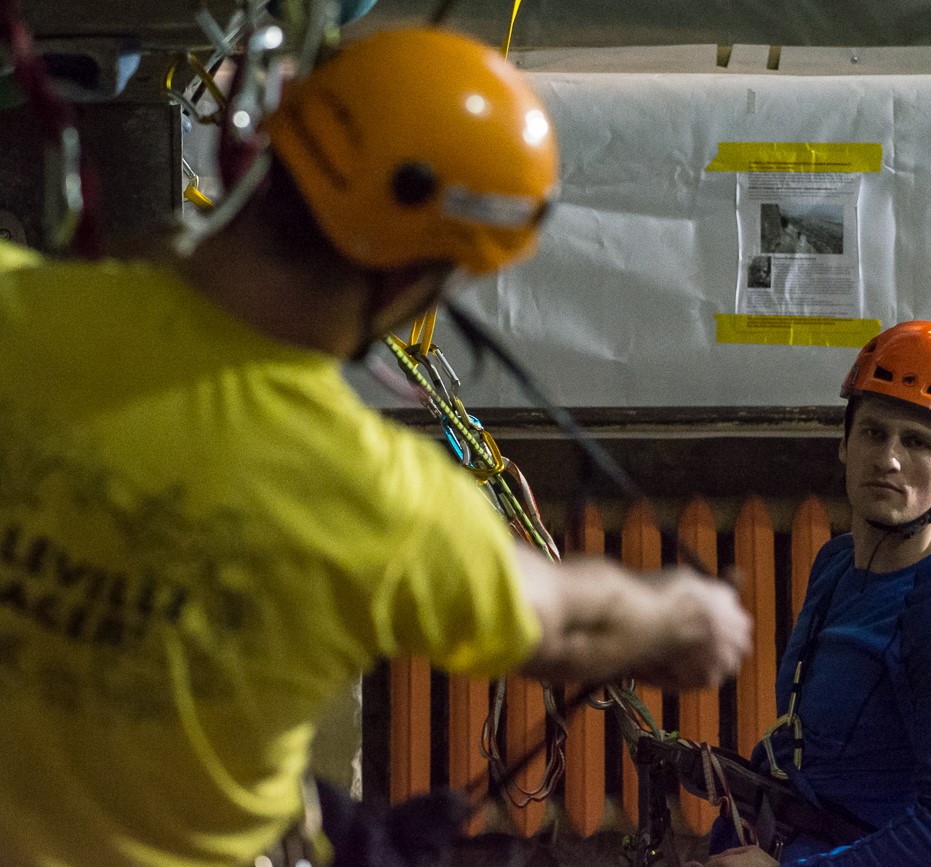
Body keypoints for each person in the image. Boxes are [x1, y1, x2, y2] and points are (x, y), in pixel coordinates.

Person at [0, 27, 750, 867]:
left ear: (267, 151)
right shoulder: (376, 495)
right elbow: (570, 626)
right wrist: (690, 613)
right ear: (408, 281)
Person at [704, 321, 931, 867]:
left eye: (917, 442)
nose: (888, 458)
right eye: (874, 433)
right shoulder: (836, 564)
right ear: (844, 443)